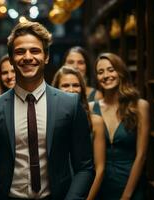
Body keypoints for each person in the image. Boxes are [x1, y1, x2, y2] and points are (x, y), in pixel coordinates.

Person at [0, 21, 94, 200]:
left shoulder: (70, 105)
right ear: (10, 58)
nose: (27, 57)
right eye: (19, 52)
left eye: (35, 51)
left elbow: (85, 168)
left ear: (46, 56)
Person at [91, 53, 149, 199]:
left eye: (111, 70)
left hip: (130, 184)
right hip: (100, 186)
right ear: (97, 78)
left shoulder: (140, 106)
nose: (106, 75)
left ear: (120, 72)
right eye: (100, 72)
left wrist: (126, 196)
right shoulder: (91, 108)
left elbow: (141, 156)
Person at [52, 65, 105, 200]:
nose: (71, 89)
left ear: (82, 89)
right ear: (56, 89)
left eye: (76, 85)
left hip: (87, 190)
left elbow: (99, 169)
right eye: (65, 85)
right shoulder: (48, 120)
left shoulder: (95, 121)